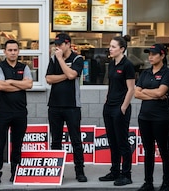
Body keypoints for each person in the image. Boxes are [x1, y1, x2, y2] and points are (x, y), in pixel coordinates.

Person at [45, 33, 88, 183]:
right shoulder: (53, 59)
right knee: (55, 140)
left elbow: (73, 75)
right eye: (56, 45)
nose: (57, 47)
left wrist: (61, 61)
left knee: (76, 140)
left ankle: (80, 171)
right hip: (55, 105)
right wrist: (66, 74)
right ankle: (57, 171)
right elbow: (49, 79)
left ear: (68, 44)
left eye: (60, 44)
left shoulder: (77, 59)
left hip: (72, 106)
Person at [0, 39, 33, 186]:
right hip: (2, 111)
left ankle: (15, 172)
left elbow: (29, 84)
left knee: (17, 144)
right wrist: (19, 84)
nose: (13, 52)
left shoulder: (24, 67)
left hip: (20, 112)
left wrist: (10, 81)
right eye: (10, 50)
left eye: (15, 50)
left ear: (18, 51)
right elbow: (1, 86)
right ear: (5, 52)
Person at [134, 44, 169, 191]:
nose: (150, 57)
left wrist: (147, 92)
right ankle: (148, 182)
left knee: (163, 150)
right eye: (149, 54)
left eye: (154, 54)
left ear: (162, 56)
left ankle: (166, 183)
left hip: (161, 118)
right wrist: (153, 93)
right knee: (148, 151)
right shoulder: (145, 73)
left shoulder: (167, 73)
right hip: (144, 117)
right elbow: (136, 93)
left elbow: (160, 92)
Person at [98, 35, 135, 186]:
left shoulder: (127, 65)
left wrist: (123, 108)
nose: (110, 49)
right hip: (109, 107)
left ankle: (126, 174)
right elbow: (111, 86)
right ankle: (115, 171)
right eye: (110, 46)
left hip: (120, 108)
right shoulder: (112, 64)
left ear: (122, 49)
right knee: (112, 142)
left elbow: (131, 89)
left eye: (113, 47)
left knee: (122, 142)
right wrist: (107, 104)